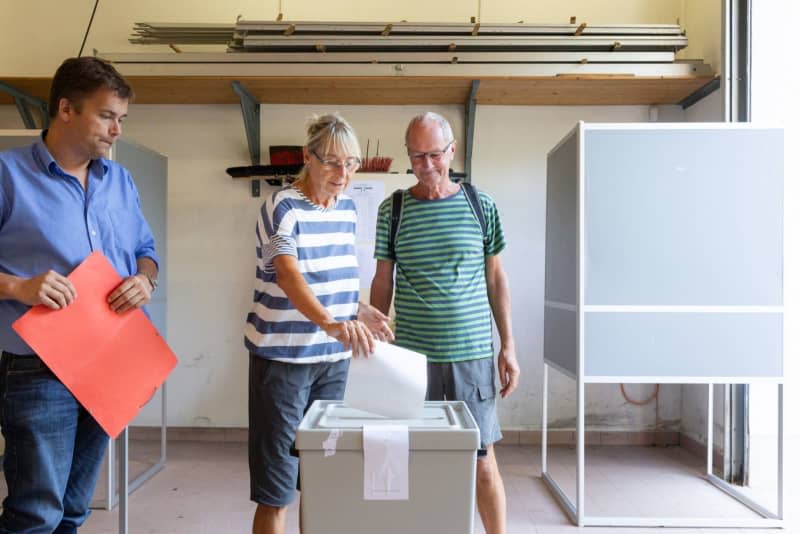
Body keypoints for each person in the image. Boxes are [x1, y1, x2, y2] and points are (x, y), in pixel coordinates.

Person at [0, 57, 159, 532]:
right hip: (36, 366)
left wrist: (145, 280)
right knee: (36, 513)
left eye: (122, 120)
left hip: (109, 359)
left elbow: (146, 252)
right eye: (107, 116)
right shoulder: (8, 175)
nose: (116, 131)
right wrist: (16, 286)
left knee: (73, 509)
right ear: (66, 109)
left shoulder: (121, 182)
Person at [370, 112, 520, 534]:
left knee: (482, 461)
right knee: (414, 459)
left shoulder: (480, 204)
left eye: (434, 154)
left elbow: (496, 278)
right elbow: (383, 279)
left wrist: (508, 344)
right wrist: (375, 348)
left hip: (471, 356)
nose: (427, 164)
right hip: (411, 360)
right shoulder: (393, 209)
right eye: (417, 156)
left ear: (451, 151)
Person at [245, 113, 393, 534]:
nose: (341, 173)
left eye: (350, 163)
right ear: (308, 157)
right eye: (331, 161)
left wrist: (357, 309)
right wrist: (330, 322)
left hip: (333, 363)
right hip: (283, 363)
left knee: (323, 482)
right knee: (277, 488)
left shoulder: (346, 208)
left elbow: (332, 276)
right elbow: (289, 275)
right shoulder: (280, 207)